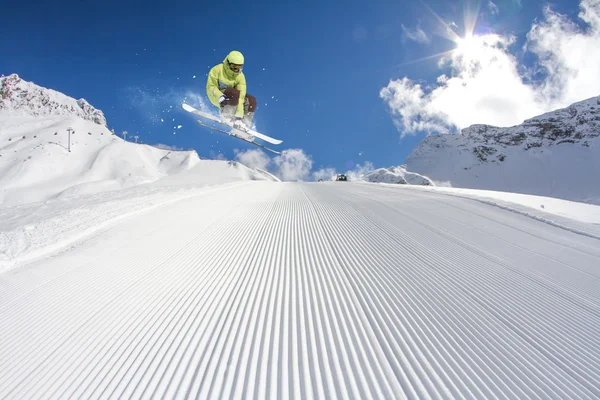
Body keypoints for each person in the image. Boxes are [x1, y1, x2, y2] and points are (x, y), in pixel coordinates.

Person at [206, 50, 257, 131]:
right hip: (216, 96)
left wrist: (238, 117)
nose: (237, 70)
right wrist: (220, 96)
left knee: (252, 100)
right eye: (234, 67)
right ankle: (227, 116)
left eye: (239, 67)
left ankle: (243, 124)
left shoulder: (240, 76)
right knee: (234, 93)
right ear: (228, 63)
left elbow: (241, 97)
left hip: (233, 98)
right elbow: (211, 87)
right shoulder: (217, 70)